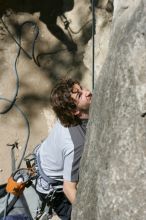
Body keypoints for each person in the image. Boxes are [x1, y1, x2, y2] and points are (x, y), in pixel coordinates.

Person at [35, 78, 92, 220]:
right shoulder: (76, 144)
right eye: (80, 95)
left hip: (47, 160)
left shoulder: (66, 115)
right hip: (54, 189)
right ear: (74, 111)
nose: (88, 92)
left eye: (82, 88)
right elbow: (68, 188)